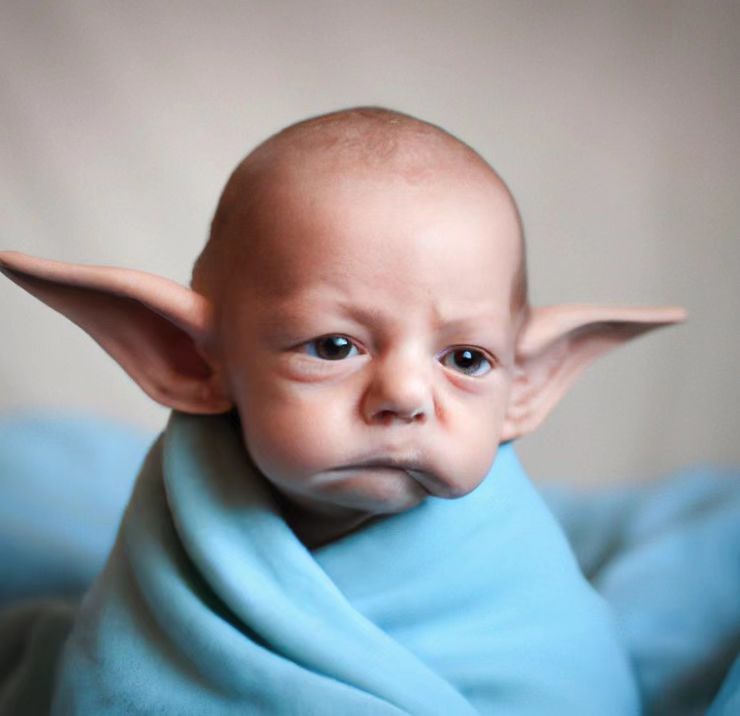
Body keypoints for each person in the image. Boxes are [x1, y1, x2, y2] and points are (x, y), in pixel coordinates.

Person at [0, 107, 684, 713]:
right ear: (189, 360)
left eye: (467, 359)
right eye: (334, 347)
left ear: (524, 386)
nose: (406, 396)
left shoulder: (531, 599)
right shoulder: (170, 553)